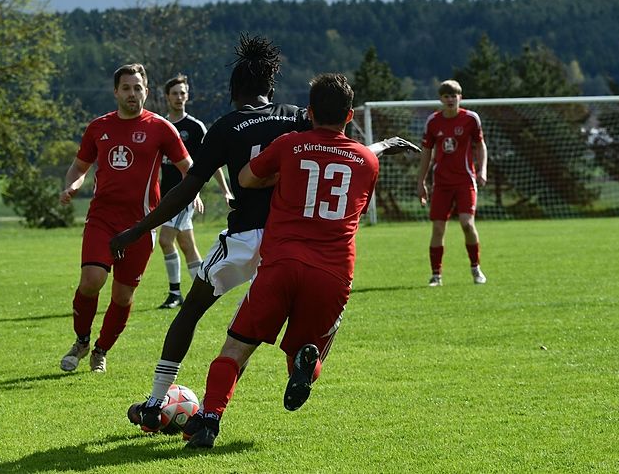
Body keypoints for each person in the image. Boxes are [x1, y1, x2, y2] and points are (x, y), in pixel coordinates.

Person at [113, 35, 417, 433]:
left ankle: (157, 402)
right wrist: (380, 146)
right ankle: (256, 387)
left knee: (193, 312)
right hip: (290, 240)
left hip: (245, 238)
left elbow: (188, 188)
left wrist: (139, 228)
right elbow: (336, 148)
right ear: (271, 89)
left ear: (233, 92)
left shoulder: (226, 126)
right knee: (257, 333)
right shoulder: (296, 118)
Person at [184, 73, 384, 448]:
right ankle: (305, 365)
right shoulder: (367, 161)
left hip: (282, 262)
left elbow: (246, 178)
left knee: (235, 348)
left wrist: (283, 177)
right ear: (350, 115)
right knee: (306, 351)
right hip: (332, 272)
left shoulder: (290, 144)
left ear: (309, 112)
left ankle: (209, 419)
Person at [59, 63, 191, 374]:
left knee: (122, 295)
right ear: (116, 92)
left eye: (138, 88)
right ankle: (81, 341)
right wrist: (73, 185)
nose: (132, 93)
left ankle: (101, 350)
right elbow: (79, 167)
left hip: (141, 226)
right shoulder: (98, 127)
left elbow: (189, 168)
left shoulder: (161, 128)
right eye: (126, 88)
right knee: (91, 281)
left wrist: (193, 192)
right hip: (102, 219)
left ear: (146, 91)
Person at [156, 74, 232, 309]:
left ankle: (175, 293)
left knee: (165, 239)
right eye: (174, 93)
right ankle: (205, 293)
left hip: (185, 195)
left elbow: (212, 161)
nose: (179, 97)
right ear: (167, 97)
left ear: (187, 96)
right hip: (166, 195)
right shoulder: (160, 126)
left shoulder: (195, 127)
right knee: (187, 247)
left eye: (182, 93)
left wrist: (225, 190)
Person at [416, 79, 488, 287]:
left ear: (460, 98)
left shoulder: (471, 119)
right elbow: (426, 153)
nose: (450, 99)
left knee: (467, 223)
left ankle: (475, 268)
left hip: (465, 180)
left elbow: (480, 145)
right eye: (446, 96)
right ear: (441, 99)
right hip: (442, 183)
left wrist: (482, 169)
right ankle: (436, 275)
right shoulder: (433, 122)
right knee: (438, 228)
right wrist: (421, 181)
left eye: (454, 96)